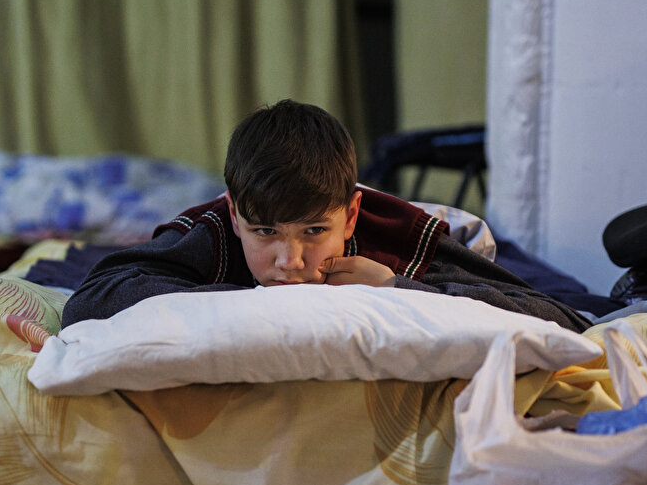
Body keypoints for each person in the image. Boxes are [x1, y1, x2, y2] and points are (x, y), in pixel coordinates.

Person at [60, 99, 592, 332]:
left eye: (315, 231)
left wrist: (397, 289)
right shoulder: (217, 233)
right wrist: (243, 299)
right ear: (236, 214)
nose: (290, 261)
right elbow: (88, 302)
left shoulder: (395, 240)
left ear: (351, 214)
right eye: (265, 232)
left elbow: (562, 320)